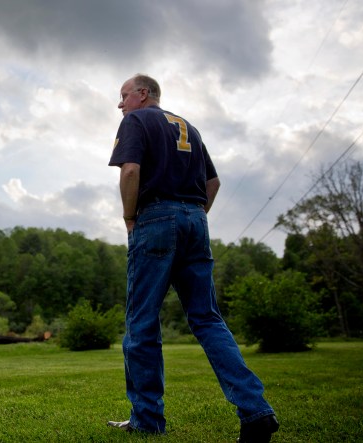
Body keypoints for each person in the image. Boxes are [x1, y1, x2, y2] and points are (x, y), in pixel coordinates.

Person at [106, 74, 279, 442]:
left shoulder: (136, 120)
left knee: (141, 322)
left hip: (155, 218)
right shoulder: (189, 128)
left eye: (124, 95)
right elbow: (213, 183)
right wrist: (193, 216)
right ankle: (256, 412)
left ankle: (146, 419)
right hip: (196, 220)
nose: (120, 104)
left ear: (143, 94)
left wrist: (130, 217)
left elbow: (131, 170)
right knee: (207, 318)